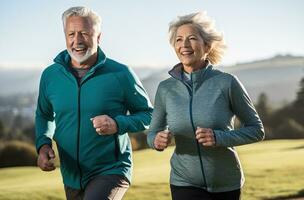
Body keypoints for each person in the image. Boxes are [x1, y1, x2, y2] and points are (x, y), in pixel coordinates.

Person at [35, 6, 153, 200]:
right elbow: (44, 114)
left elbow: (148, 114)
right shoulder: (50, 75)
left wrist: (117, 124)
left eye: (84, 33)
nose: (77, 40)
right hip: (71, 175)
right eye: (71, 34)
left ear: (98, 37)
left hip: (111, 170)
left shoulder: (120, 73)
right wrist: (43, 144)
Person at [147, 12, 265, 200]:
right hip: (183, 182)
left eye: (192, 38)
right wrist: (156, 141)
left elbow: (256, 130)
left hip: (226, 183)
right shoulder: (165, 88)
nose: (184, 45)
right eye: (178, 40)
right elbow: (152, 132)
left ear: (207, 46)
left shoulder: (227, 83)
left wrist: (219, 137)